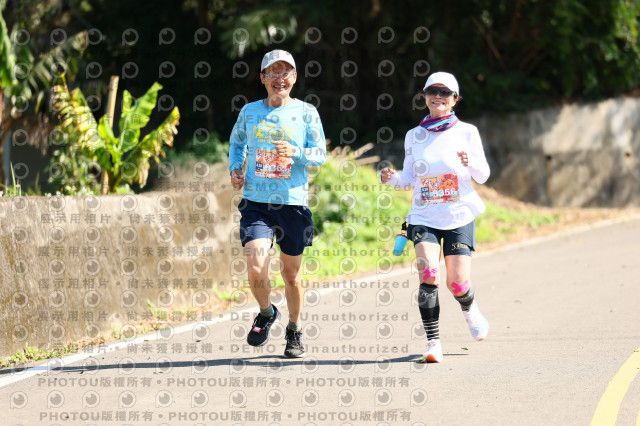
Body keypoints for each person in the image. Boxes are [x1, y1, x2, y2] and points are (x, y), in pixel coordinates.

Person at [380, 71, 490, 363]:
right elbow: (408, 177)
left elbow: (483, 175)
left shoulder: (467, 132)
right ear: (425, 97)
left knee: (457, 282)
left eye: (445, 93)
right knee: (429, 273)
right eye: (432, 91)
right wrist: (392, 178)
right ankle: (433, 342)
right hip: (423, 215)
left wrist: (471, 162)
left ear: (455, 99)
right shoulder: (413, 135)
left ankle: (469, 307)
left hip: (458, 214)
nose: (438, 96)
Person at [229, 49, 327, 358]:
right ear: (263, 78)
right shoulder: (250, 111)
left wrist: (295, 152)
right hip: (256, 202)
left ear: (294, 77)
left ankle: (294, 329)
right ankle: (266, 312)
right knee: (256, 265)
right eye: (272, 72)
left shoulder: (306, 112)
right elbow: (237, 143)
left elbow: (320, 154)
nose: (279, 78)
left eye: (285, 72)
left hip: (292, 204)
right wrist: (235, 167)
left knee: (291, 275)